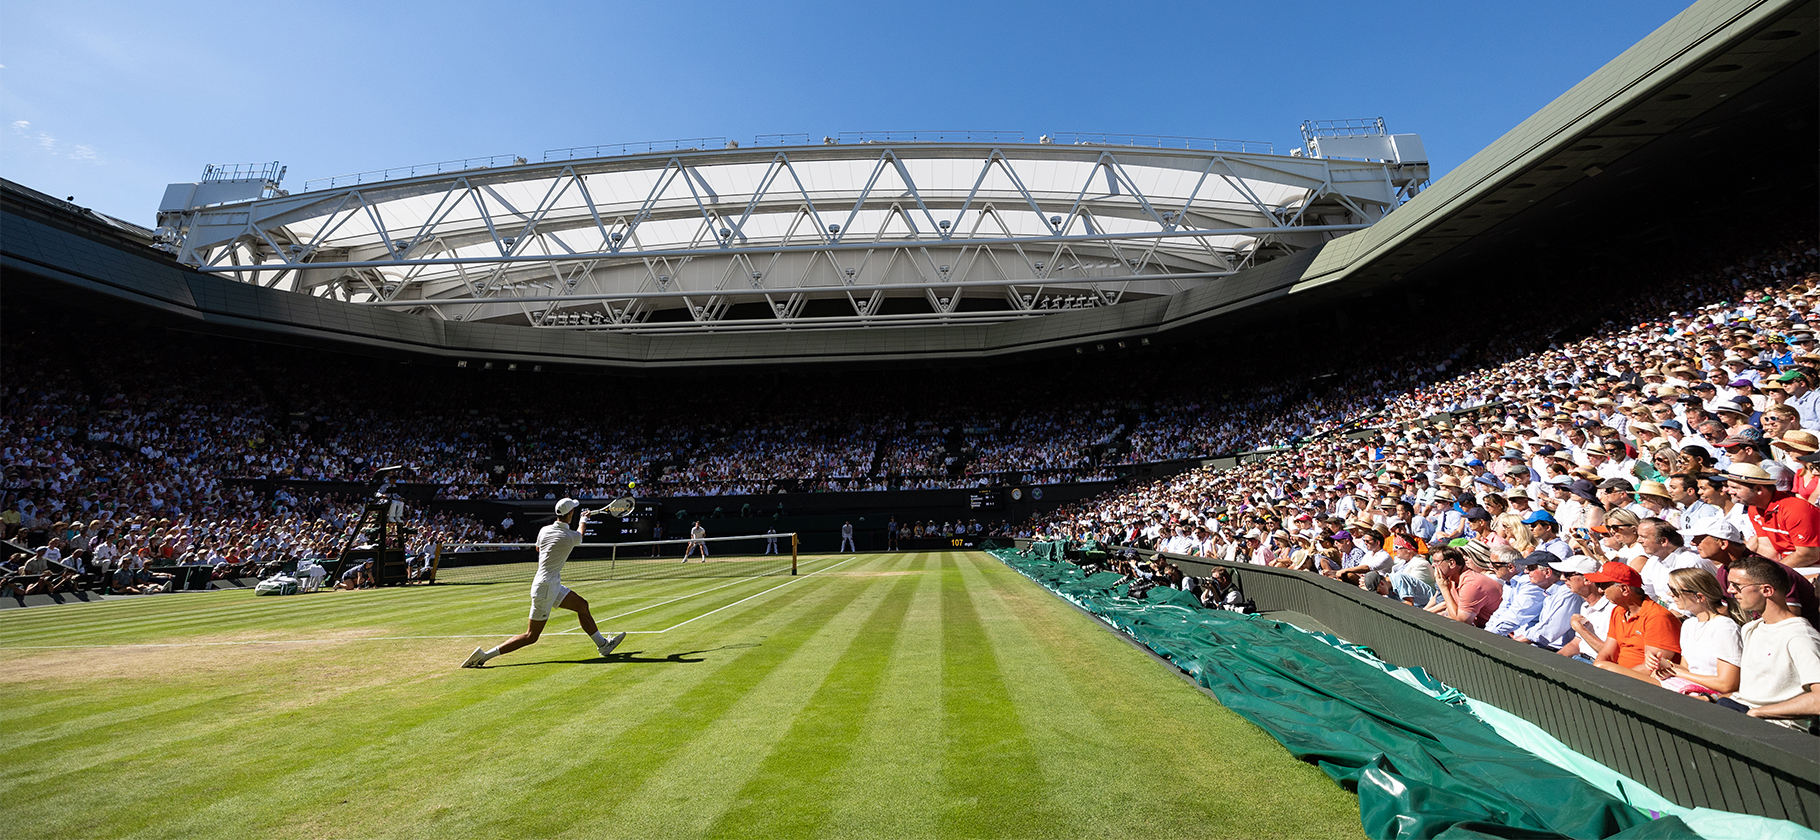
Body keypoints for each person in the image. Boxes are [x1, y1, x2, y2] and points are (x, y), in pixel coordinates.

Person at [462, 498, 624, 668]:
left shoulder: (544, 530)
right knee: (531, 636)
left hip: (549, 585)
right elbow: (580, 535)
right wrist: (584, 519)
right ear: (570, 514)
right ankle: (484, 656)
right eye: (573, 511)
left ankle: (603, 645)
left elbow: (539, 549)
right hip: (546, 588)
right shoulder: (569, 536)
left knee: (582, 606)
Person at [1723, 556, 1820, 730]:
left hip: (1771, 727)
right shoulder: (1750, 629)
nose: (1730, 590)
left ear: (1766, 590)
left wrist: (1759, 712)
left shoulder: (1800, 637)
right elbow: (1753, 691)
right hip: (1738, 711)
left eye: (1737, 585)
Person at [1648, 567, 1742, 697]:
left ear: (1699, 597)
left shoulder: (1725, 627)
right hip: (1689, 689)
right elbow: (1687, 669)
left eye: (1674, 590)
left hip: (1710, 697)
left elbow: (1727, 684)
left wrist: (1675, 672)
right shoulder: (1689, 625)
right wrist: (1664, 665)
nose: (1670, 594)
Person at [1589, 561, 1682, 683]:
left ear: (1624, 589)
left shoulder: (1657, 617)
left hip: (1644, 685)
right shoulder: (1618, 611)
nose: (1600, 590)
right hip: (1621, 678)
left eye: (1604, 585)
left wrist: (1613, 679)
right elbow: (1607, 653)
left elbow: (1653, 667)